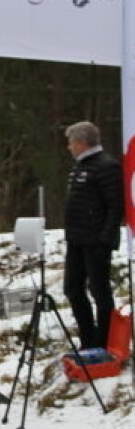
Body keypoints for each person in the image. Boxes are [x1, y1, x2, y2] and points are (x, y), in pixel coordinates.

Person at [62, 121, 123, 349]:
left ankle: (105, 340)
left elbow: (115, 206)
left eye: (71, 143)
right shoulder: (79, 166)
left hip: (96, 241)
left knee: (100, 291)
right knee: (72, 289)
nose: (69, 148)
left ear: (81, 143)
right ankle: (88, 340)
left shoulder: (106, 166)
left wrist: (105, 239)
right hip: (77, 240)